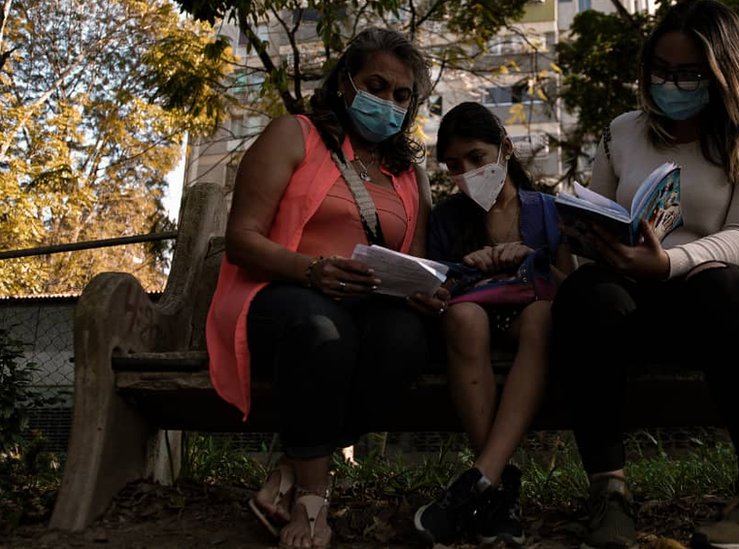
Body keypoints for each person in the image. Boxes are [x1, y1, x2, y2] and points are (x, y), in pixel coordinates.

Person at [550, 1, 739, 548]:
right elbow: (600, 218)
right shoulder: (623, 131)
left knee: (722, 285)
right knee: (587, 293)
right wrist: (591, 241)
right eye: (661, 70)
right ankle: (609, 493)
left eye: (688, 73)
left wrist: (669, 262)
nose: (671, 83)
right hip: (637, 305)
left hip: (723, 309)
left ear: (722, 71)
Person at [205, 27, 447, 549]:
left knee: (407, 341)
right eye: (376, 86)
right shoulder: (293, 135)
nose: (388, 102)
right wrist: (311, 270)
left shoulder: (410, 175)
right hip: (281, 297)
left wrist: (423, 291)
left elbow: (416, 264)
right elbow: (241, 240)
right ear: (344, 82)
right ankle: (314, 499)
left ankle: (290, 469)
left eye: (402, 96)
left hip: (370, 308)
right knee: (321, 328)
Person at [413, 102, 576, 546]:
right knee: (464, 317)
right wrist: (464, 269)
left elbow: (571, 292)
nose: (465, 172)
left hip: (532, 319)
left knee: (543, 315)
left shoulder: (546, 210)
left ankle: (483, 476)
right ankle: (499, 488)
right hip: (472, 321)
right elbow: (437, 292)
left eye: (477, 158)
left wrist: (531, 257)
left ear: (505, 149)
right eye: (453, 165)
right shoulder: (446, 218)